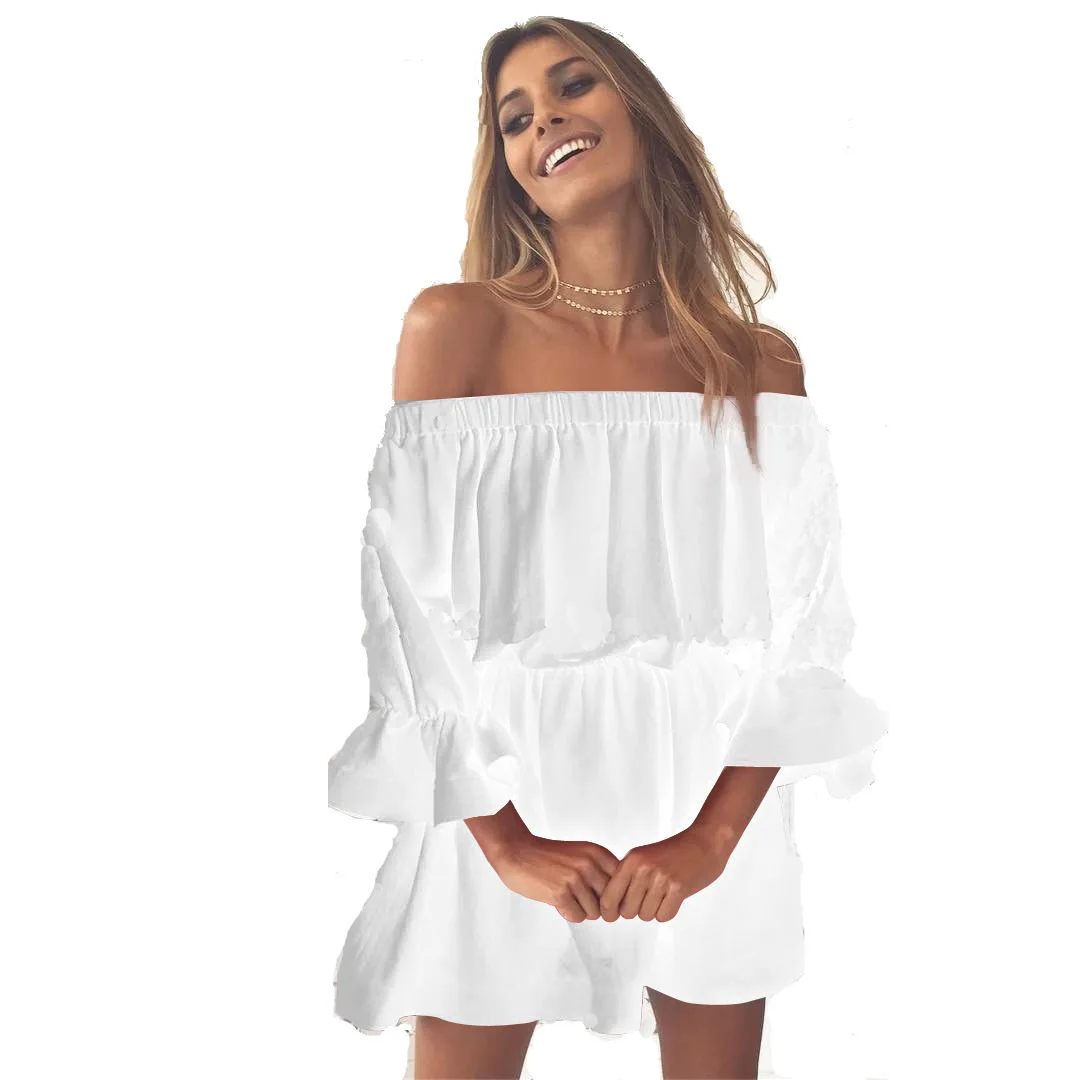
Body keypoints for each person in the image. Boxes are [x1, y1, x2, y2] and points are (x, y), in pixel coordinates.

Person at [328, 16, 888, 1080]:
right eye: (514, 119)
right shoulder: (457, 328)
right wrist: (507, 842)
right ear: (508, 168)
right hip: (499, 785)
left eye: (573, 86)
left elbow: (800, 628)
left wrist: (712, 838)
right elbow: (405, 606)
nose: (545, 122)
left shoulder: (757, 365)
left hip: (707, 787)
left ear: (641, 111)